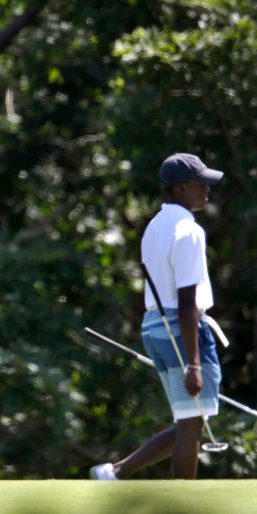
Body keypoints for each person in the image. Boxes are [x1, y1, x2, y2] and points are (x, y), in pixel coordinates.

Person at [90, 153, 224, 480]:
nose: (207, 189)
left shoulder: (155, 226)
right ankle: (182, 500)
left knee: (189, 421)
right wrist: (194, 364)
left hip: (155, 326)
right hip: (181, 326)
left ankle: (115, 472)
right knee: (192, 425)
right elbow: (187, 300)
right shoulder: (188, 231)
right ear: (180, 188)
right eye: (199, 183)